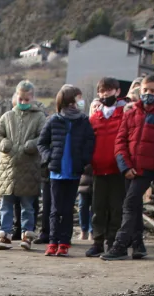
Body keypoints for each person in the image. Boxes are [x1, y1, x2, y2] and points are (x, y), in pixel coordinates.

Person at [102, 74, 154, 261]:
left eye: (152, 91)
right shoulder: (130, 113)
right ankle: (138, 245)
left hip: (148, 168)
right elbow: (120, 141)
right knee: (134, 205)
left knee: (129, 204)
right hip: (130, 167)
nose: (147, 94)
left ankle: (120, 244)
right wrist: (125, 165)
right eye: (145, 90)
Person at [37, 84, 94, 256]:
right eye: (76, 99)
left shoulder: (83, 121)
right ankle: (53, 241)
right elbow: (42, 142)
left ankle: (64, 242)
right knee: (55, 209)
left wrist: (83, 161)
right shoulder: (54, 120)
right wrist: (49, 158)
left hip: (74, 172)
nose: (79, 103)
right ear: (68, 101)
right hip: (56, 172)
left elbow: (89, 143)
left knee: (68, 208)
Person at [0, 80, 46, 250]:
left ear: (32, 98)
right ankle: (5, 235)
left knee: (27, 205)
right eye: (20, 99)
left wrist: (33, 145)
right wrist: (4, 144)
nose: (23, 103)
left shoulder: (39, 117)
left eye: (26, 100)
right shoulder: (7, 117)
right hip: (8, 170)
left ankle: (27, 234)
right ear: (16, 96)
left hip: (29, 170)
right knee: (5, 205)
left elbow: (44, 138)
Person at [84, 78, 127, 257]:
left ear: (117, 92)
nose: (105, 94)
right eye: (102, 91)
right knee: (98, 207)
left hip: (118, 170)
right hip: (98, 169)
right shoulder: (94, 118)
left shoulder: (125, 113)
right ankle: (98, 241)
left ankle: (112, 240)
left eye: (109, 90)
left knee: (116, 207)